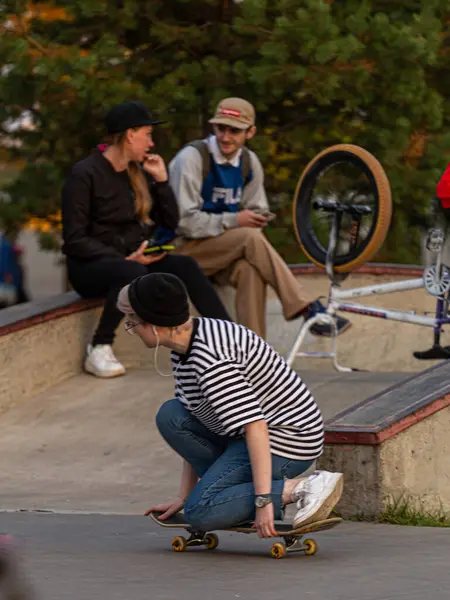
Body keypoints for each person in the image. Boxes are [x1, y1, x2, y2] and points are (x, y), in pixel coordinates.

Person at [117, 272, 344, 536]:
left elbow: (256, 426)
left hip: (287, 441)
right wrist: (183, 495)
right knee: (171, 415)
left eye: (132, 323)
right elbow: (197, 415)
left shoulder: (210, 361)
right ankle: (232, 497)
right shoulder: (186, 343)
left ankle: (300, 488)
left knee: (199, 512)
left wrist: (263, 501)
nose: (131, 329)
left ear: (156, 324)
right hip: (251, 436)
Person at [61, 101, 231, 378]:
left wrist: (162, 182)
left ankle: (227, 339)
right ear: (130, 135)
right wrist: (122, 258)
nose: (151, 143)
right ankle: (100, 346)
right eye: (147, 135)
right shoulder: (85, 174)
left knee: (184, 265)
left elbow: (170, 224)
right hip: (90, 268)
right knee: (132, 271)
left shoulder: (137, 173)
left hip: (133, 261)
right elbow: (74, 240)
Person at [168, 97, 351, 339]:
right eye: (221, 128)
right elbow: (183, 223)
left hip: (220, 251)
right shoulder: (191, 158)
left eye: (234, 131)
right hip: (180, 251)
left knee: (250, 271)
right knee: (248, 237)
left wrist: (258, 217)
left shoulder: (249, 162)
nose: (225, 136)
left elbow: (255, 209)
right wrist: (235, 220)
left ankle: (255, 353)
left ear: (250, 132)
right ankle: (306, 307)